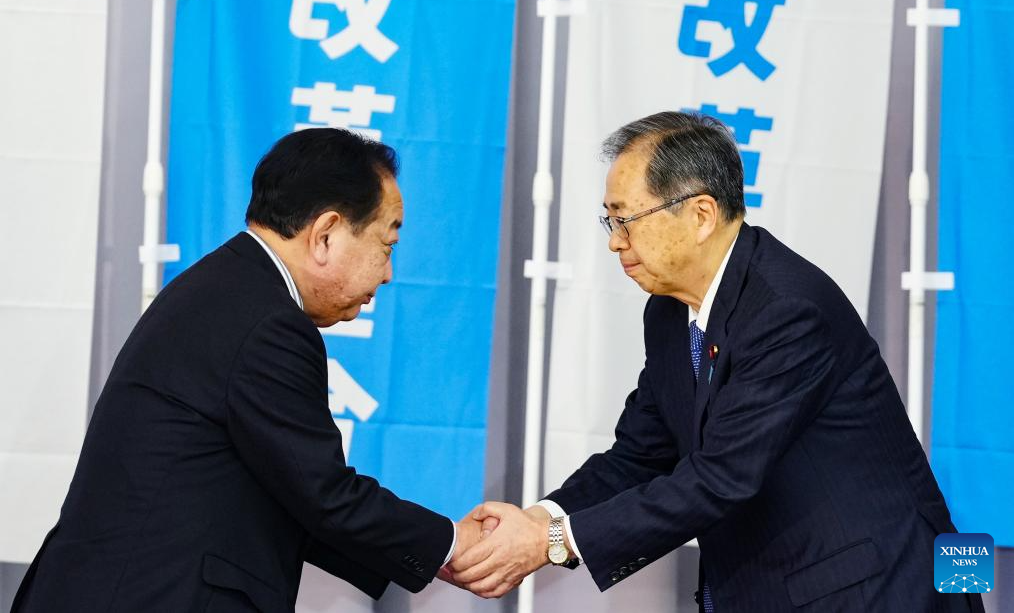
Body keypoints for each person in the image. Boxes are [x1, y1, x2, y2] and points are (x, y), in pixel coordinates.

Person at [450, 111, 984, 613]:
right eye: (608, 220)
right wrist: (540, 519)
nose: (614, 242)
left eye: (626, 220)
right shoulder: (668, 310)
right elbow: (640, 454)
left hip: (877, 585)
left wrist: (551, 542)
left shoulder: (786, 310)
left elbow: (721, 477)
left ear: (701, 215)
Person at [13, 128, 489, 612]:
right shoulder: (267, 323)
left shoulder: (227, 288)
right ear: (325, 234)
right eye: (386, 245)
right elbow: (324, 494)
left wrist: (438, 554)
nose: (388, 274)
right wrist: (454, 546)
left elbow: (289, 493)